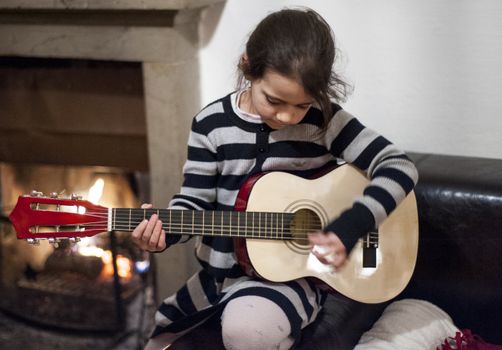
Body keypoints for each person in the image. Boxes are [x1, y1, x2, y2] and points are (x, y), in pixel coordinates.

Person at [132, 7, 418, 350]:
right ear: (247, 66)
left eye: (301, 105)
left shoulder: (323, 121)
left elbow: (399, 166)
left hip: (290, 278)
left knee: (247, 331)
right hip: (218, 279)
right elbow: (193, 201)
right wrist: (162, 232)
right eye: (274, 100)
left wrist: (350, 227)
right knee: (160, 338)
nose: (287, 116)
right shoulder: (211, 126)